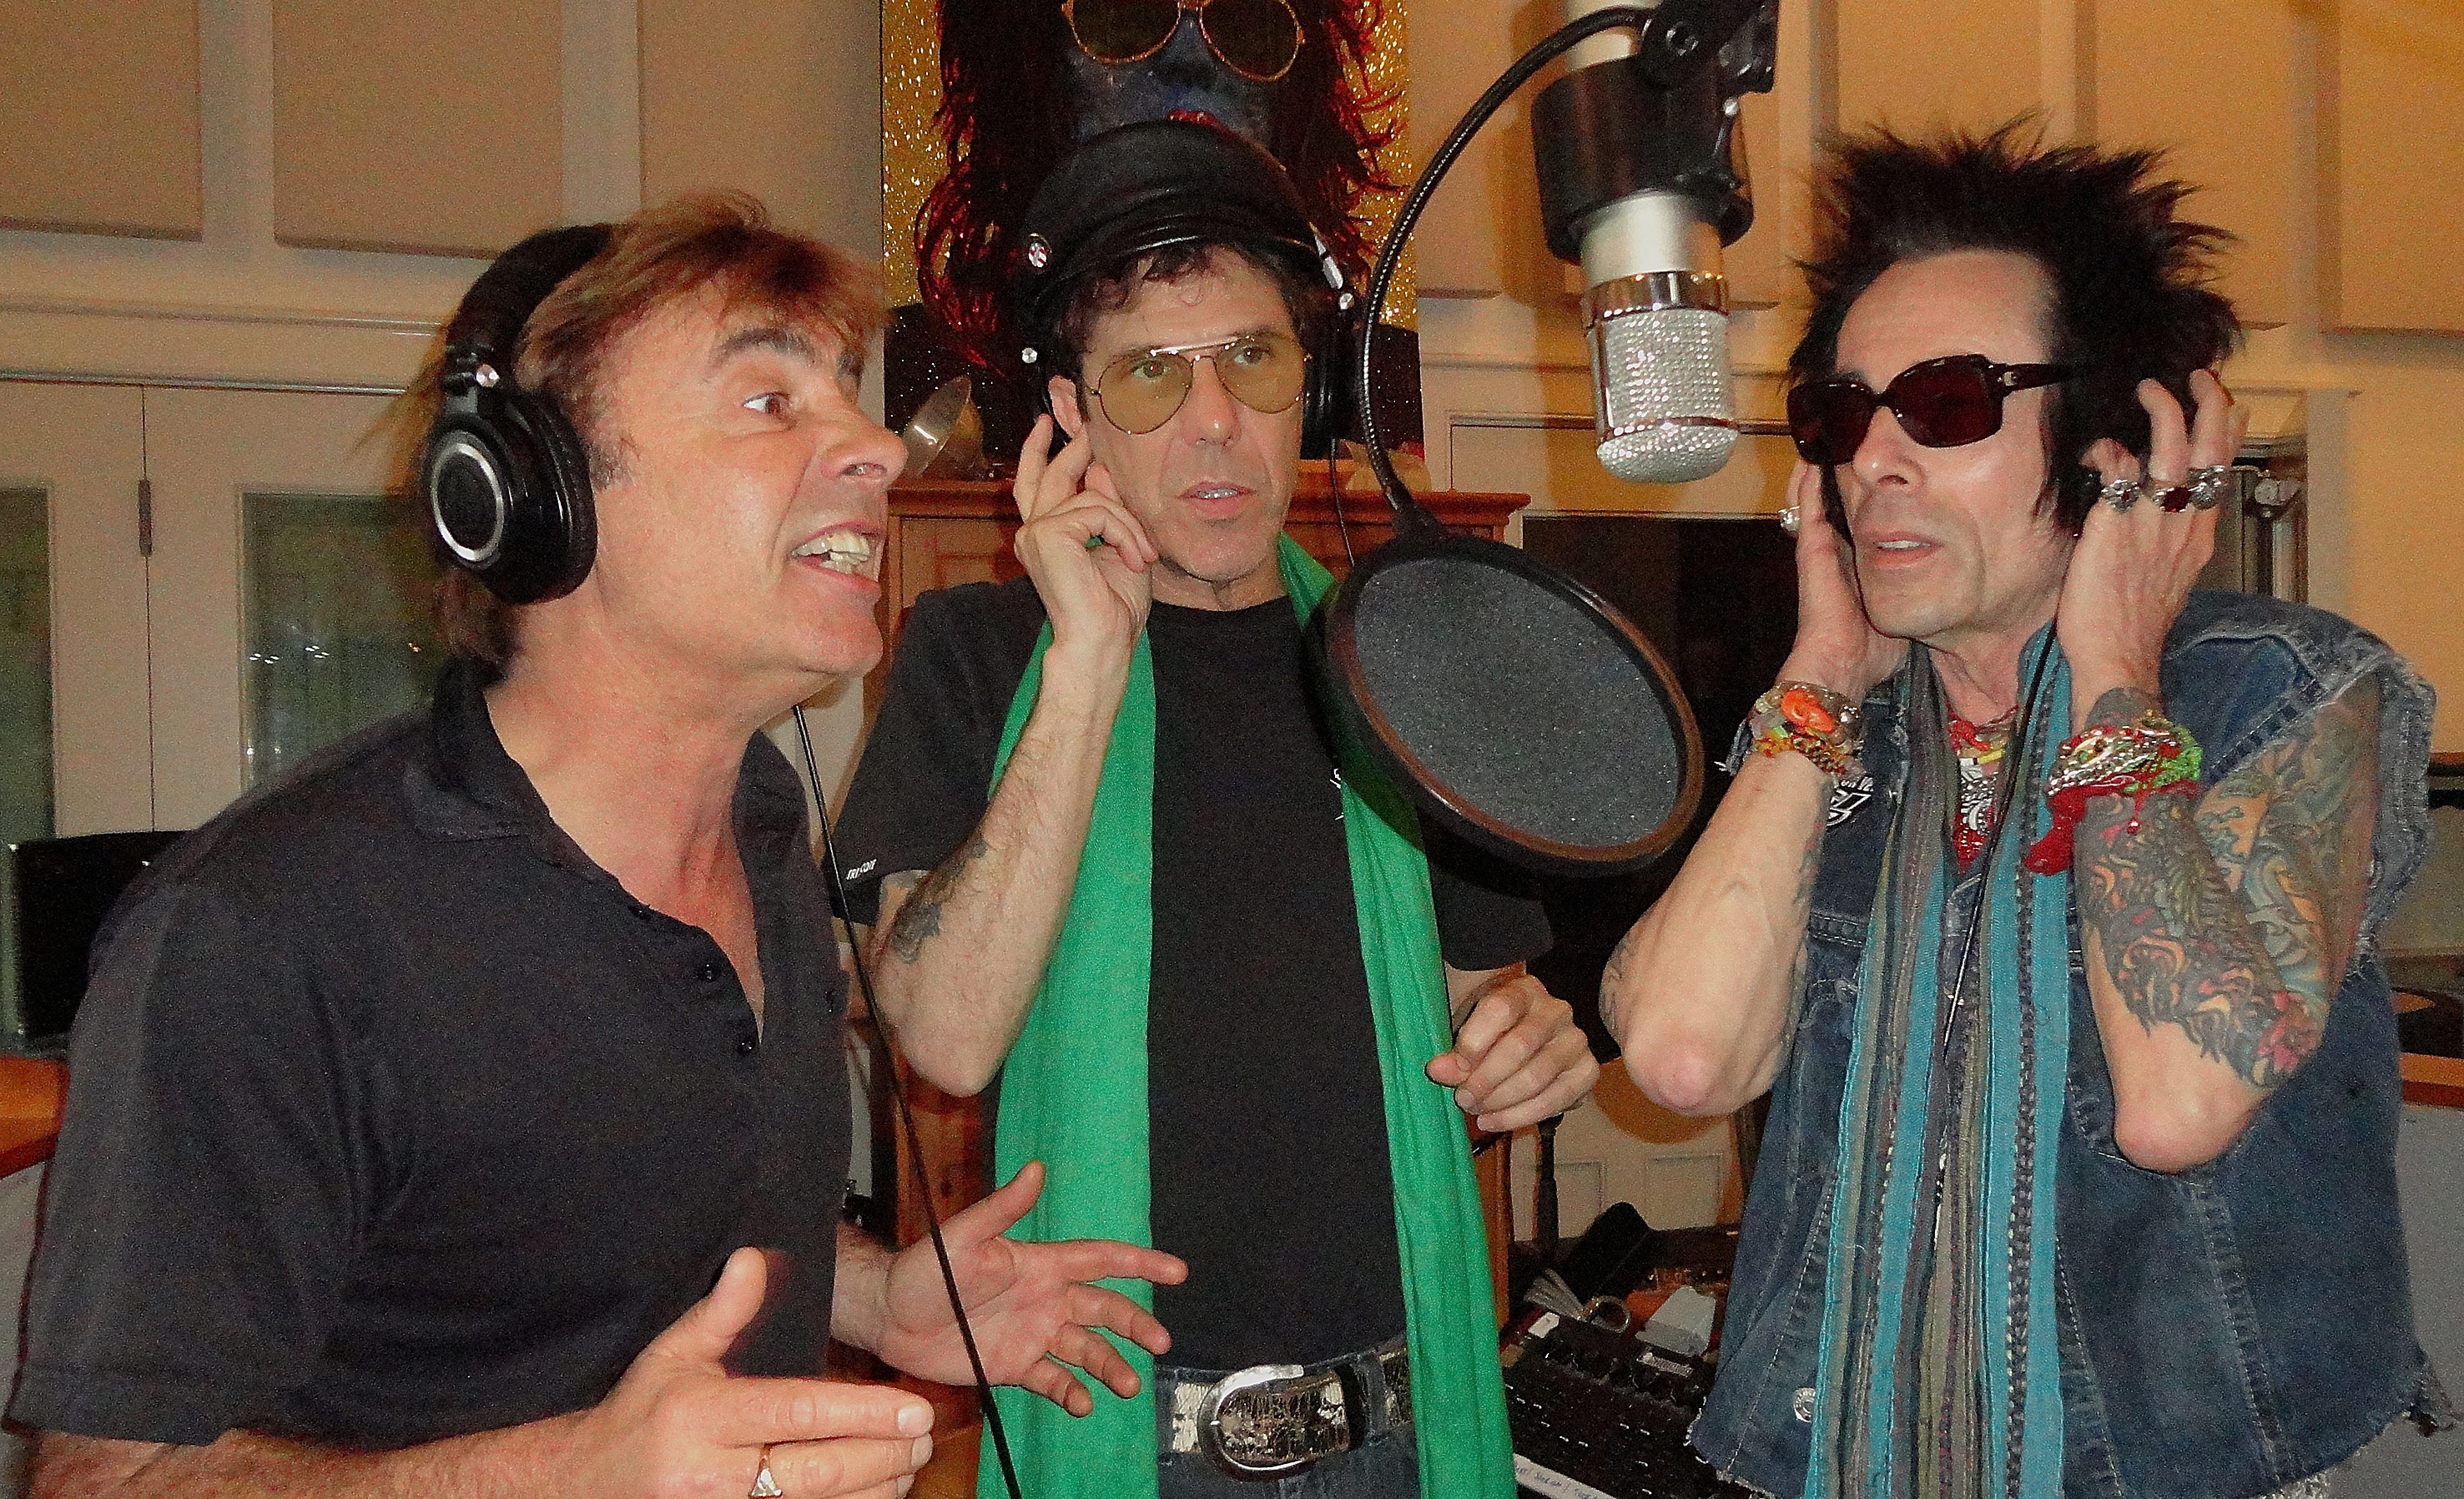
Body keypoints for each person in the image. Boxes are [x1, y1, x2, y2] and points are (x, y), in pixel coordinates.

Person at [8, 194, 1186, 1499]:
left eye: (848, 402)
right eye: (768, 401)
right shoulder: (266, 930)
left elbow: (613, 1240)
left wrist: (875, 1296)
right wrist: (564, 1472)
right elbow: (104, 1480)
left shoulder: (763, 837)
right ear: (537, 494)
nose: (873, 447)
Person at [1602, 124, 2450, 1499]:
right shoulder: (1836, 732)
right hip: (1842, 1457)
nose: (1873, 460)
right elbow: (1684, 1059)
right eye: (1840, 414)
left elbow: (2178, 1104)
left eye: (1942, 403)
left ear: (2112, 453)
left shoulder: (2278, 693)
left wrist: (2113, 667)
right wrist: (1817, 680)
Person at [834, 120, 1597, 1498]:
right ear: (1068, 415)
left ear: (1309, 385)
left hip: (1400, 1428)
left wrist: (1524, 1043)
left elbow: (1487, 998)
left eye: (1251, 359)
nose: (1211, 423)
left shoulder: (1402, 664)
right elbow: (943, 1035)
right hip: (1125, 1431)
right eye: (1148, 375)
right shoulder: (978, 654)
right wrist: (1086, 663)